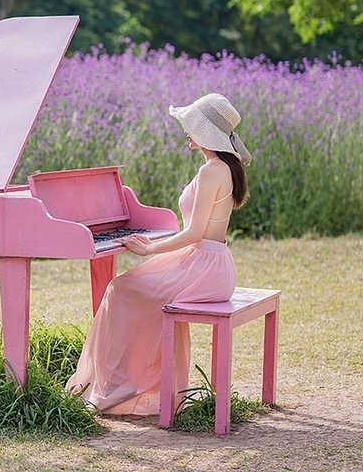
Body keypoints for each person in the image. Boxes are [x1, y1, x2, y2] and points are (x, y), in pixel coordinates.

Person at [65, 93, 252, 415]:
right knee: (126, 290)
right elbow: (197, 233)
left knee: (121, 290)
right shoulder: (223, 168)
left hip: (204, 264)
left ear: (206, 134)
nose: (186, 132)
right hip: (208, 260)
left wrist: (150, 248)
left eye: (191, 127)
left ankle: (118, 385)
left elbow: (194, 233)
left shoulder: (212, 171)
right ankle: (124, 381)